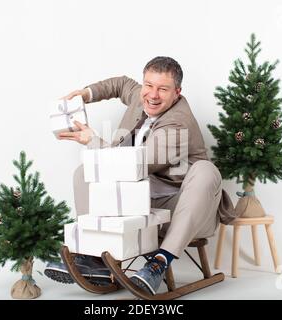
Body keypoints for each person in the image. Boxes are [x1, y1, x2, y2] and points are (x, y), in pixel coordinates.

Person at [45, 56, 237, 294]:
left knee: (206, 171)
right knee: (84, 172)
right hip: (141, 203)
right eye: (149, 85)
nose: (153, 95)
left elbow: (135, 165)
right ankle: (94, 257)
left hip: (180, 209)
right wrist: (85, 94)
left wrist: (93, 141)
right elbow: (120, 84)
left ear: (177, 92)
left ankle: (159, 263)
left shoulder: (179, 123)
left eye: (163, 89)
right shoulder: (141, 95)